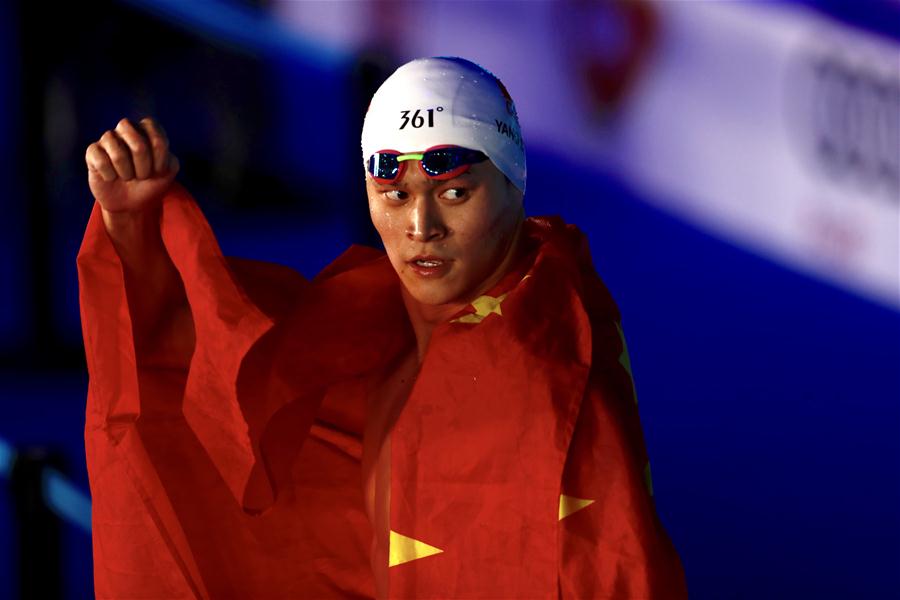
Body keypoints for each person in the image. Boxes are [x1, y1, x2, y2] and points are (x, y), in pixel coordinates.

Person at [79, 56, 688, 598]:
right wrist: (133, 228)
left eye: (454, 193)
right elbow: (188, 365)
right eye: (393, 195)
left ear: (514, 186)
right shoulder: (374, 320)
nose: (420, 225)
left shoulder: (543, 374)